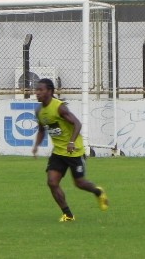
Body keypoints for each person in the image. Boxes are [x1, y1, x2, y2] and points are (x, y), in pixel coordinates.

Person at [32, 78, 109, 222]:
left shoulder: (60, 107)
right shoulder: (39, 111)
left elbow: (77, 124)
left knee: (79, 183)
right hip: (58, 152)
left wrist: (72, 141)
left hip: (74, 151)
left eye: (40, 90)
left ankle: (98, 192)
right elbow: (42, 129)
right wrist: (36, 146)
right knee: (52, 182)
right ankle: (68, 215)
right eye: (36, 90)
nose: (37, 93)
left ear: (50, 91)